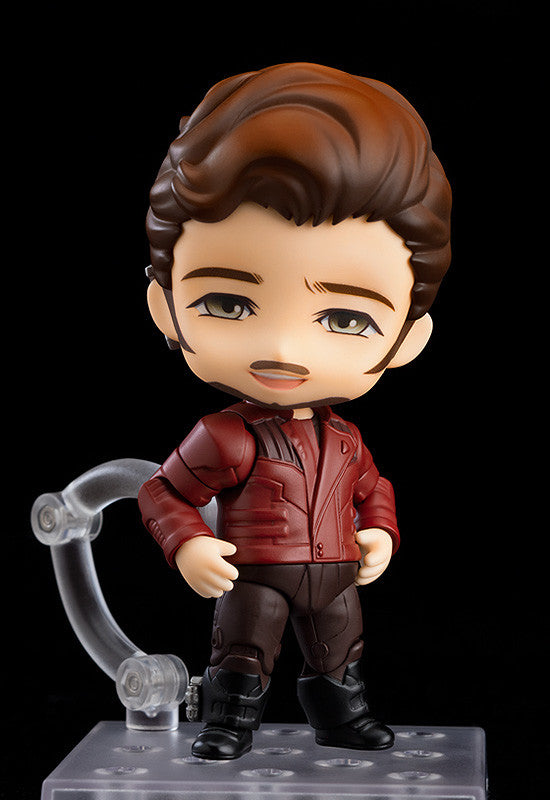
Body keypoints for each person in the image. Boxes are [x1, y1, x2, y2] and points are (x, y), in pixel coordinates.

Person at [138, 62, 452, 760]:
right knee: (243, 649)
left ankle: (342, 716)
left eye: (345, 317)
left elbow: (372, 488)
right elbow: (160, 491)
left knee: (341, 647)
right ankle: (228, 721)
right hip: (257, 572)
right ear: (165, 305)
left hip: (336, 569)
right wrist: (187, 543)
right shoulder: (225, 435)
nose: (282, 347)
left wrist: (382, 532)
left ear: (408, 338)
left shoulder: (346, 437)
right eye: (228, 303)